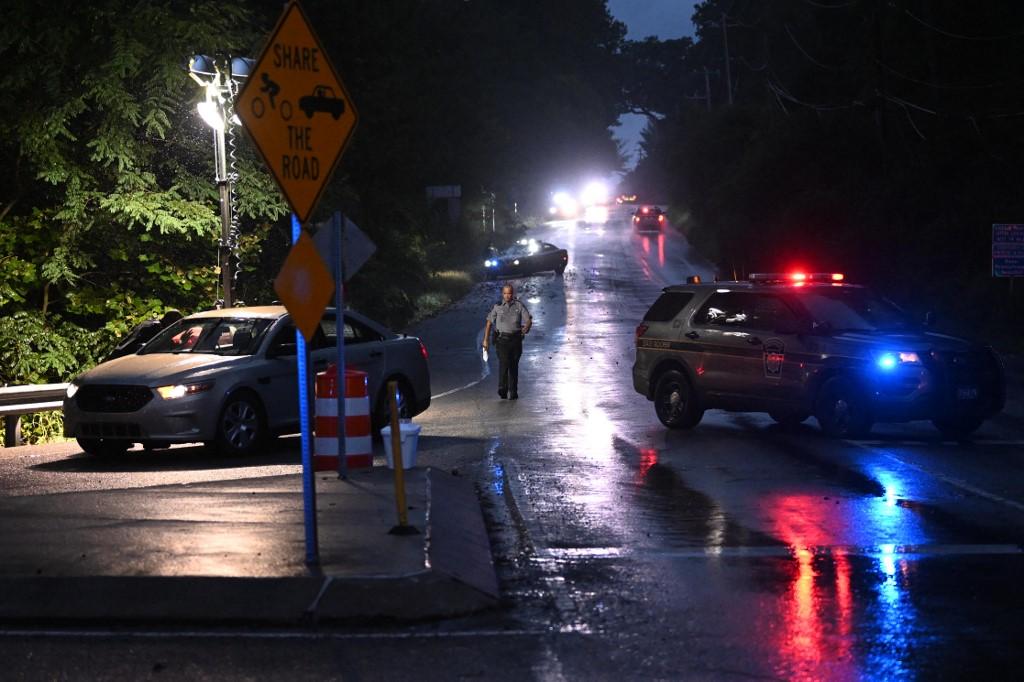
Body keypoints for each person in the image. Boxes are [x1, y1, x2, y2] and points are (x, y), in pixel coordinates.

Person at [482, 283, 532, 399]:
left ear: (512, 294)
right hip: (502, 341)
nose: (507, 296)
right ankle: (502, 388)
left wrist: (527, 327)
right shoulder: (497, 306)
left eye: (509, 293)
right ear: (502, 294)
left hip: (516, 340)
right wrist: (485, 340)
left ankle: (513, 391)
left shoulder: (519, 306)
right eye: (505, 293)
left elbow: (528, 319)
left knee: (514, 366)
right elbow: (489, 323)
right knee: (504, 363)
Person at [106, 309, 183, 359]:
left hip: (119, 351)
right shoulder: (156, 327)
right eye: (174, 324)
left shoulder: (149, 322)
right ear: (170, 321)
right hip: (126, 354)